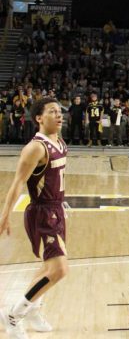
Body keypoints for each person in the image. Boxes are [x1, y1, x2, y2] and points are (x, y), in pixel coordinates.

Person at [0, 98, 69, 338]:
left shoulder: (58, 141)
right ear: (39, 118)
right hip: (42, 213)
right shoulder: (35, 148)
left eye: (60, 112)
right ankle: (13, 314)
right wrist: (4, 216)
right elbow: (17, 183)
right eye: (52, 112)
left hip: (56, 209)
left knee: (49, 267)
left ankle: (33, 308)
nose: (59, 115)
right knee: (59, 270)